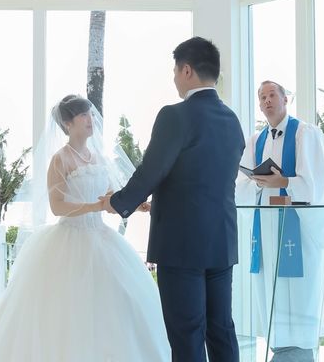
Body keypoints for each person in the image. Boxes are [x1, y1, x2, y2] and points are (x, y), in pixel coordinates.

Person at [0, 95, 171, 361]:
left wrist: (136, 204)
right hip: (68, 239)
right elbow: (57, 206)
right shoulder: (60, 160)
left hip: (102, 239)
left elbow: (110, 197)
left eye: (90, 114)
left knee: (116, 305)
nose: (90, 119)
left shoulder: (98, 157)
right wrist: (94, 206)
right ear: (67, 124)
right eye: (83, 115)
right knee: (66, 311)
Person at [101, 37, 245, 362]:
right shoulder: (231, 120)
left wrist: (118, 202)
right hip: (221, 241)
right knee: (221, 329)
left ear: (187, 70)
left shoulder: (175, 115)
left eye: (176, 71)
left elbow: (151, 171)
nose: (175, 78)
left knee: (187, 334)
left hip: (181, 245)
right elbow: (206, 179)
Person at [239, 80, 324, 362]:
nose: (266, 101)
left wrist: (283, 182)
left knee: (299, 288)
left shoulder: (304, 134)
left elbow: (315, 184)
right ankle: (280, 345)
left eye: (272, 95)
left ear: (285, 100)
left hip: (297, 227)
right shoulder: (255, 141)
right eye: (262, 97)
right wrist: (258, 182)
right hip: (268, 226)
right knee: (272, 285)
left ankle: (302, 349)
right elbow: (241, 186)